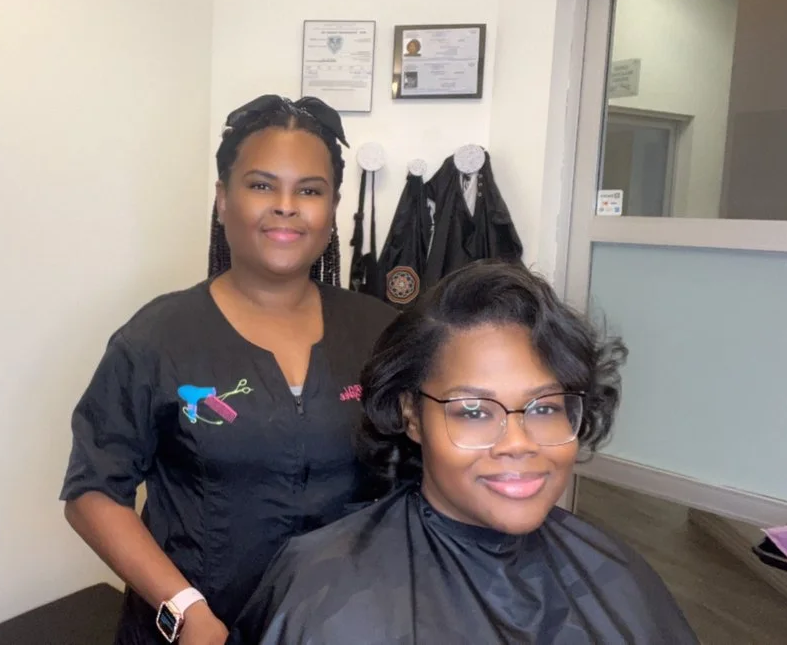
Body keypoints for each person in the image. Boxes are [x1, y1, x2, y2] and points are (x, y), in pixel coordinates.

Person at [60, 94, 397, 645]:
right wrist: (186, 611)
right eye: (261, 185)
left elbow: (422, 475)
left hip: (343, 626)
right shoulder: (158, 337)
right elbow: (92, 493)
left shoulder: (381, 334)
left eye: (309, 190)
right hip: (197, 632)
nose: (286, 205)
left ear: (332, 208)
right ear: (222, 200)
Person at [230, 261, 699, 645]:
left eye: (545, 407)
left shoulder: (615, 574)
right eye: (473, 411)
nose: (518, 442)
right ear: (412, 415)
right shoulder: (327, 594)